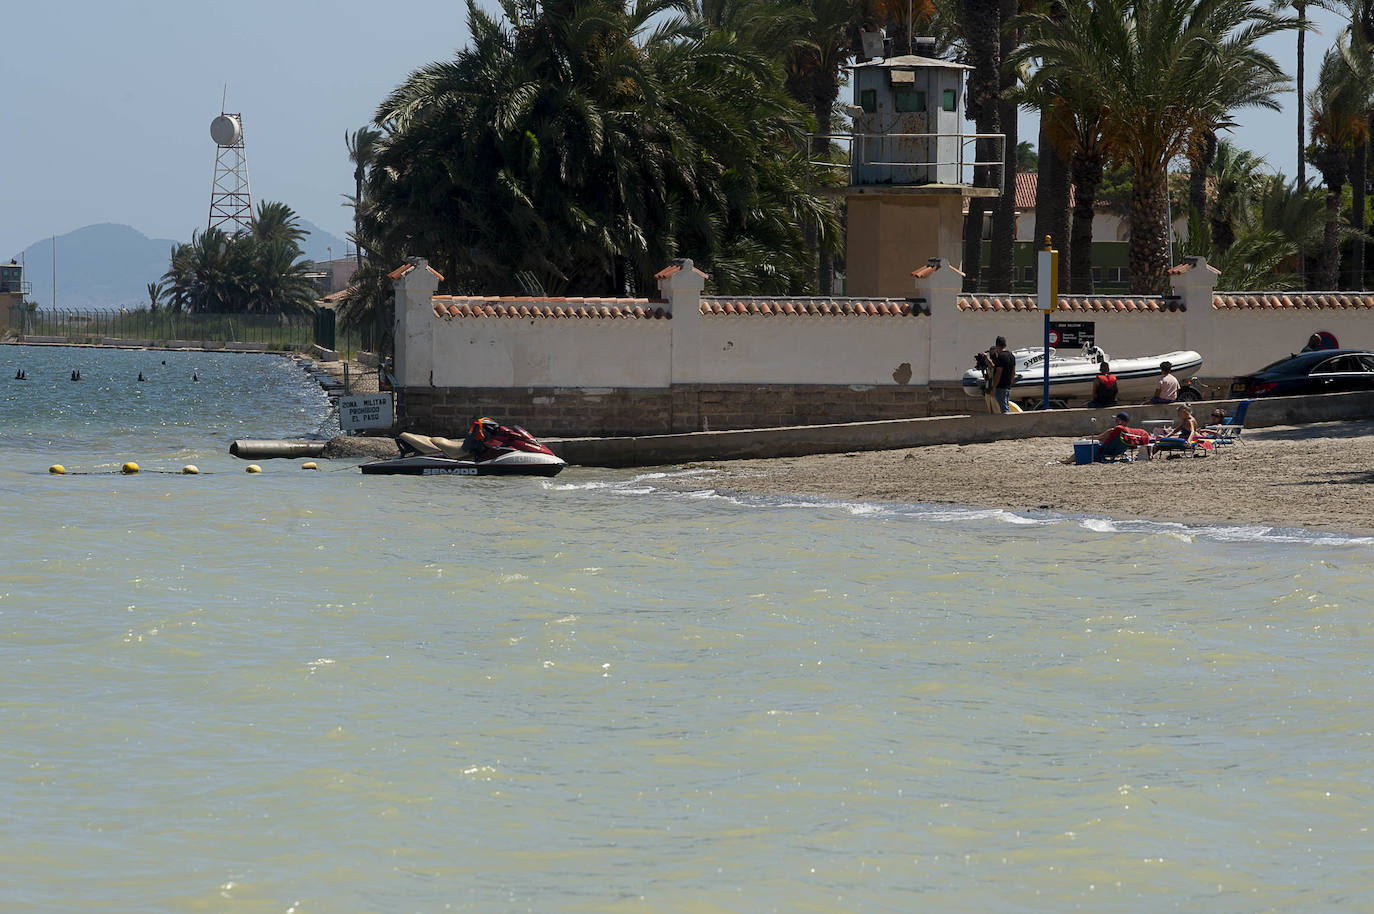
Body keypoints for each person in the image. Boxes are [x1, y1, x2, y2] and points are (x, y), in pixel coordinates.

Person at [989, 336, 1017, 414]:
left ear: (997, 345)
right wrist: (1010, 384)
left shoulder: (1000, 357)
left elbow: (998, 373)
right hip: (1007, 386)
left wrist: (993, 387)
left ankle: (1009, 424)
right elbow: (1013, 372)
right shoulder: (1011, 356)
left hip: (1000, 387)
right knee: (1006, 405)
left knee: (1004, 409)